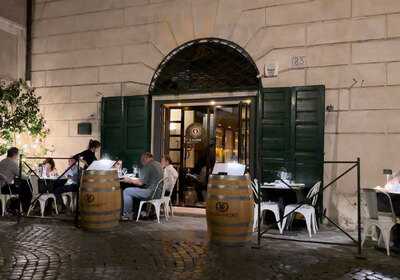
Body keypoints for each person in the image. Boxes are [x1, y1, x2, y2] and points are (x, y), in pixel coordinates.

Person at [122, 152, 163, 220]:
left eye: (142, 160)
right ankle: (141, 212)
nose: (142, 162)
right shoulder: (158, 164)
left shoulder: (149, 165)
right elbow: (147, 179)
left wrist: (129, 180)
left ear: (146, 158)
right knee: (138, 190)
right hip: (159, 192)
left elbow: (140, 183)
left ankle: (127, 215)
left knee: (127, 191)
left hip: (151, 193)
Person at [0, 147, 32, 213]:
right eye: (18, 154)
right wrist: (28, 175)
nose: (18, 156)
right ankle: (24, 209)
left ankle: (14, 207)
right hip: (6, 187)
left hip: (1, 186)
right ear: (15, 154)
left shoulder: (2, 161)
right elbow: (21, 176)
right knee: (26, 187)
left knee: (22, 186)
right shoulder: (13, 163)